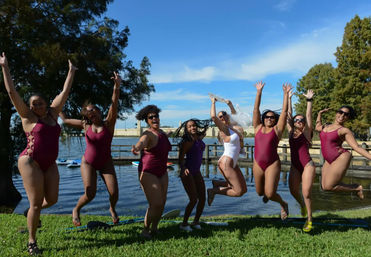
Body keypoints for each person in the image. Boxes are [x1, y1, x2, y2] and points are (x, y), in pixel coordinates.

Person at [0, 52, 77, 255]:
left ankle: (30, 212)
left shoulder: (53, 112)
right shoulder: (27, 116)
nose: (36, 106)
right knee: (36, 203)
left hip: (50, 163)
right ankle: (32, 241)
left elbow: (65, 91)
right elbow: (12, 92)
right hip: (30, 161)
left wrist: (71, 71)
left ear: (46, 103)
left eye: (39, 103)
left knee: (52, 200)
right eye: (33, 104)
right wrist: (4, 68)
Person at [59, 72, 122, 227]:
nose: (91, 112)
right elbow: (65, 120)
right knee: (90, 193)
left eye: (93, 110)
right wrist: (57, 104)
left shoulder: (109, 123)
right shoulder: (85, 125)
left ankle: (112, 208)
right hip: (88, 163)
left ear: (99, 111)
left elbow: (114, 104)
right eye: (88, 111)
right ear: (87, 115)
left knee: (114, 192)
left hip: (106, 162)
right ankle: (76, 210)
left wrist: (117, 86)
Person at [131, 105, 172, 238]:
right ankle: (145, 230)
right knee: (156, 203)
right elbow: (141, 142)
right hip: (148, 171)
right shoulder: (147, 134)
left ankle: (154, 228)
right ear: (147, 120)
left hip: (162, 171)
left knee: (162, 203)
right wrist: (137, 148)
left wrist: (170, 133)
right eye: (151, 117)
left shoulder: (161, 133)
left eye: (156, 116)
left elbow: (164, 137)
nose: (154, 118)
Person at [253, 81, 291, 220]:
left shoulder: (277, 130)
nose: (269, 119)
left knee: (269, 194)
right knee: (258, 192)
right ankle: (267, 194)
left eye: (272, 117)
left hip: (272, 163)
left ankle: (283, 203)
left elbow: (284, 112)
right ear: (263, 119)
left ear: (275, 120)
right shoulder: (257, 128)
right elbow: (255, 109)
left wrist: (285, 94)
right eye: (267, 117)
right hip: (257, 163)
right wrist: (259, 92)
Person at [316, 106, 371, 199]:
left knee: (330, 186)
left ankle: (357, 188)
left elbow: (356, 147)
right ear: (336, 113)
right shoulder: (326, 126)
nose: (342, 115)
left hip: (340, 156)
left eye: (346, 114)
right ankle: (354, 188)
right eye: (340, 112)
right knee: (325, 186)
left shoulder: (344, 130)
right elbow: (317, 127)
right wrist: (319, 114)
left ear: (348, 117)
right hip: (328, 159)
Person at [207, 98, 247, 206]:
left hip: (233, 162)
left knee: (244, 189)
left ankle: (217, 183)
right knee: (237, 191)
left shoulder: (233, 126)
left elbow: (234, 114)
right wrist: (213, 102)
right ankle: (213, 191)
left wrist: (230, 104)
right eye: (220, 116)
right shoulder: (223, 128)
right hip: (226, 162)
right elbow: (213, 117)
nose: (222, 117)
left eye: (224, 114)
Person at [173, 119, 210, 231]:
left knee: (202, 198)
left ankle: (196, 221)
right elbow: (180, 158)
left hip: (197, 171)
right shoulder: (187, 141)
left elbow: (206, 128)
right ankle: (184, 224)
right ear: (186, 129)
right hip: (187, 172)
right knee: (193, 199)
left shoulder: (198, 138)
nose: (192, 128)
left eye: (194, 126)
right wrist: (183, 168)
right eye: (189, 127)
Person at [287, 89, 316, 232]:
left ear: (304, 123)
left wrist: (309, 101)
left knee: (306, 192)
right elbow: (288, 115)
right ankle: (302, 205)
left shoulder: (306, 132)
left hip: (307, 165)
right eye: (296, 120)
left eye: (301, 120)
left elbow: (309, 116)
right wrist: (289, 98)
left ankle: (309, 220)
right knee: (293, 191)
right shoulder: (290, 132)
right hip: (294, 166)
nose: (298, 121)